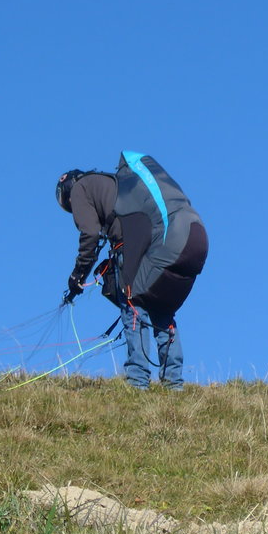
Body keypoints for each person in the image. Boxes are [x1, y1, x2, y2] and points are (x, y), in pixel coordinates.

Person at [56, 152, 208, 390]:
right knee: (162, 310)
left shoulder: (80, 188)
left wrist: (77, 276)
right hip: (190, 238)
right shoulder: (115, 185)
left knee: (133, 303)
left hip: (148, 246)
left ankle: (137, 382)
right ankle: (174, 385)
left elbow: (90, 235)